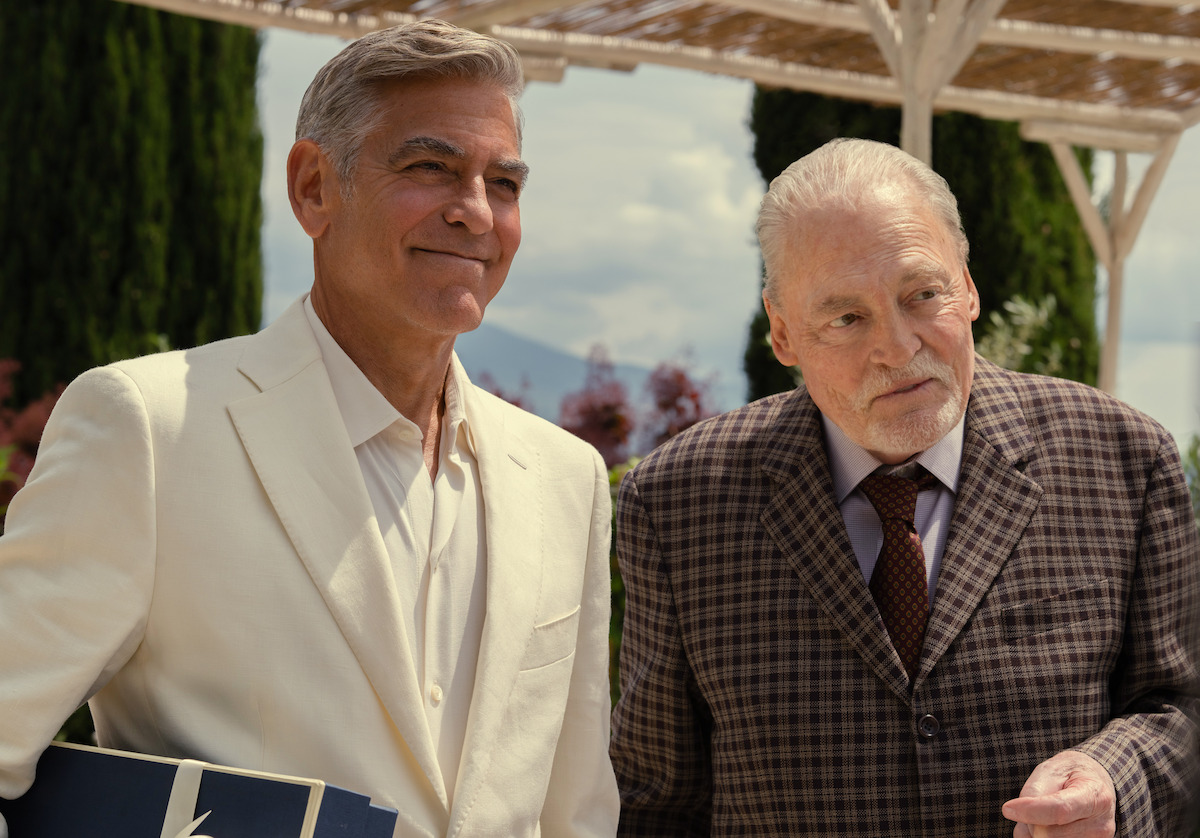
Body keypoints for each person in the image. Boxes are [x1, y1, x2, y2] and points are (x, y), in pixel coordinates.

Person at [0, 20, 618, 838]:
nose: (475, 212)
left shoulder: (567, 479)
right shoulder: (149, 430)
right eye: (430, 167)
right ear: (313, 188)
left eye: (503, 184)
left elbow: (576, 813)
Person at [609, 137, 1200, 837]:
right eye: (846, 318)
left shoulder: (1123, 461)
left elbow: (1182, 707)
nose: (897, 345)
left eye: (923, 294)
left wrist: (1114, 779)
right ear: (783, 333)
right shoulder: (679, 502)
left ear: (970, 286)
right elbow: (655, 799)